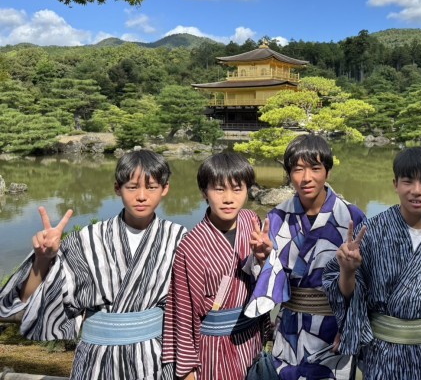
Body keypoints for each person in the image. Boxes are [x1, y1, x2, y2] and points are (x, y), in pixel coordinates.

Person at [0, 149, 187, 380]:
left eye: (151, 187)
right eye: (132, 187)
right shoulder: (87, 239)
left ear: (165, 189)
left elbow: (190, 308)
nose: (141, 196)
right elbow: (27, 299)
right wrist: (43, 258)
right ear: (117, 188)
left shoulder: (179, 239)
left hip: (153, 358)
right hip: (96, 358)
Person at [323, 147, 421, 379]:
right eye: (407, 181)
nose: (416, 191)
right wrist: (347, 271)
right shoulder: (371, 233)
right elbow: (348, 295)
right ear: (395, 184)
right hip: (383, 353)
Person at [244, 134, 367, 379]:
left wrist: (351, 327)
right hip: (289, 329)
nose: (306, 177)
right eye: (298, 169)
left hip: (334, 330)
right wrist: (263, 258)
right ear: (289, 173)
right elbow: (267, 283)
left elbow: (367, 285)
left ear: (328, 172)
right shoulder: (277, 217)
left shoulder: (351, 217)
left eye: (315, 168)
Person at [161, 152, 269, 380]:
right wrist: (187, 372)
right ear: (204, 192)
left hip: (251, 340)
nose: (228, 199)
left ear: (248, 190)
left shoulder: (251, 222)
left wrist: (263, 260)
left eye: (237, 189)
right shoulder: (191, 246)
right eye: (219, 189)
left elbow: (264, 285)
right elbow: (183, 314)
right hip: (214, 349)